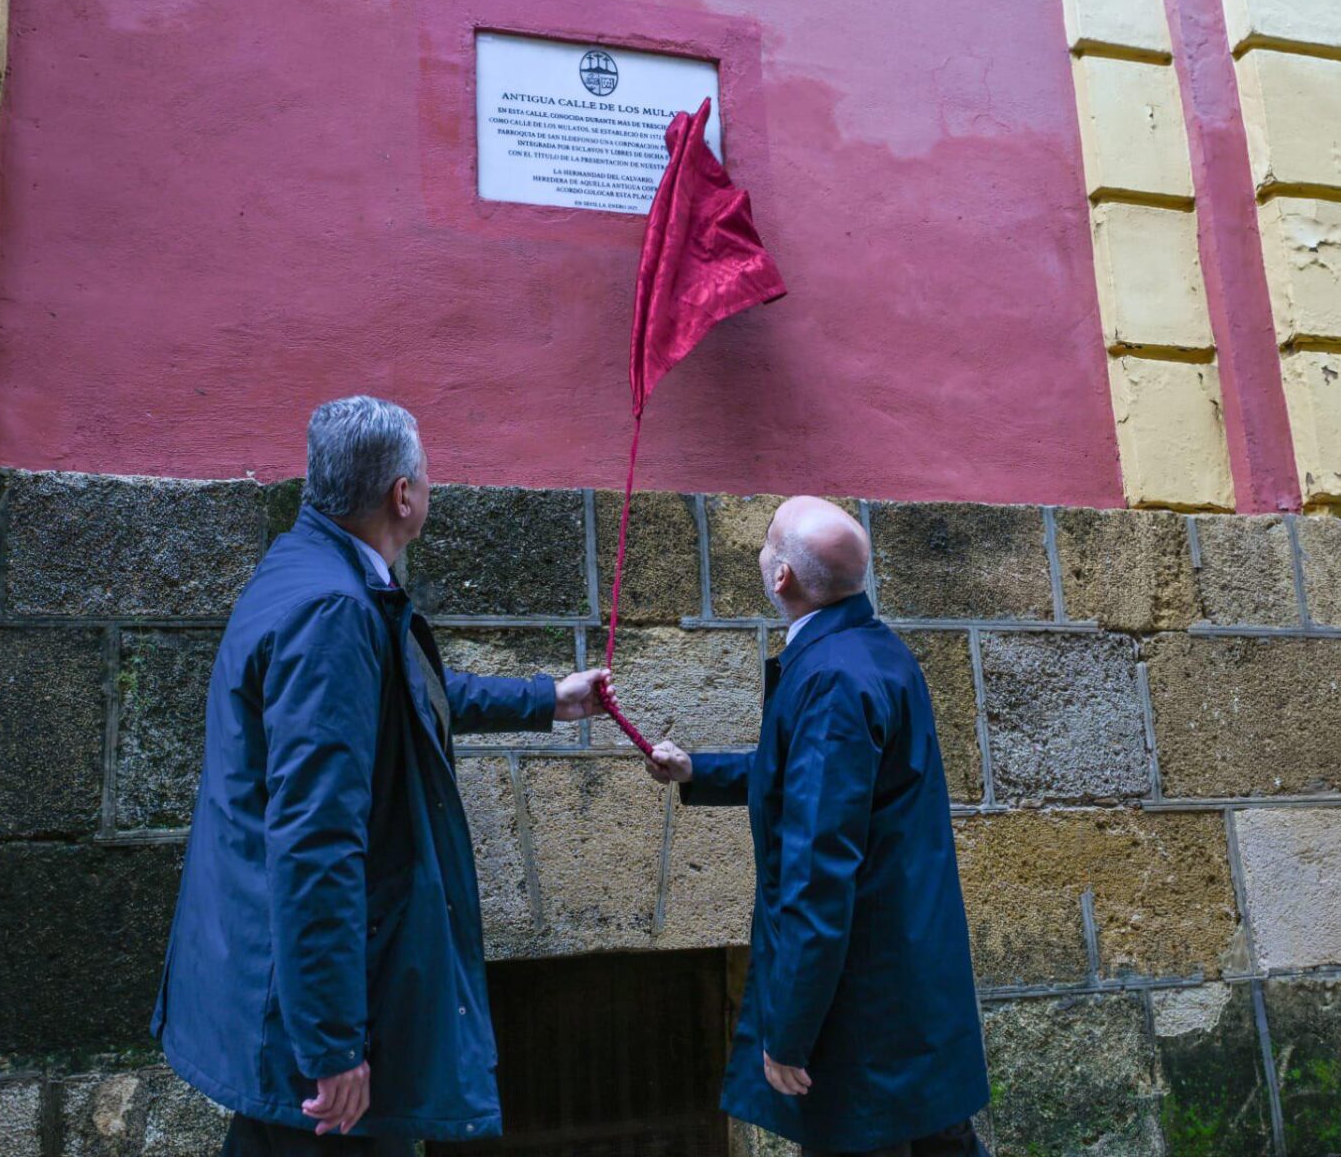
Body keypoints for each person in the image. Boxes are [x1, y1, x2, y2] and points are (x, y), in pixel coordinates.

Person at [152, 395, 612, 1156]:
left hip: (270, 993)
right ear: (404, 494)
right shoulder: (332, 610)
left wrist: (545, 700)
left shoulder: (305, 569)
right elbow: (316, 842)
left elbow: (397, 694)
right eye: (426, 475)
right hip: (307, 1035)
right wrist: (332, 1046)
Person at [645, 497, 992, 1157]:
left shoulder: (832, 678)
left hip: (864, 1014)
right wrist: (699, 772)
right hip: (911, 996)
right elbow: (817, 784)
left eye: (767, 543)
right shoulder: (874, 650)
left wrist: (788, 1030)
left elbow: (818, 870)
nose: (760, 552)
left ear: (782, 577)